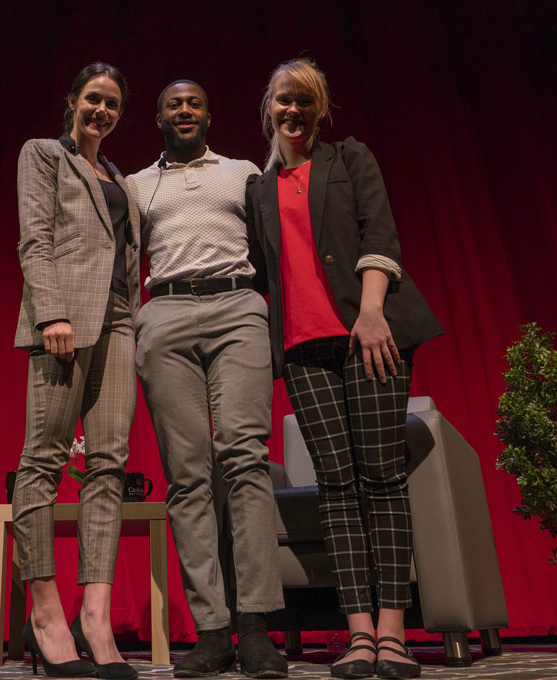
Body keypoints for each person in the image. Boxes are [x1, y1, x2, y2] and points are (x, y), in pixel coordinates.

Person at [245, 59, 444, 680]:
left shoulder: (350, 159)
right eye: (284, 100)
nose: (294, 111)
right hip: (304, 350)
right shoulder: (256, 190)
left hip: (369, 335)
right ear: (268, 109)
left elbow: (380, 233)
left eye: (305, 101)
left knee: (381, 476)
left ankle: (392, 633)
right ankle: (357, 634)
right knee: (335, 485)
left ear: (321, 109)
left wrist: (375, 313)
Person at [126, 80, 287, 679]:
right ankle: (213, 631)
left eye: (194, 103)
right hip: (164, 314)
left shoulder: (243, 171)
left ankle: (256, 626)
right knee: (188, 475)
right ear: (160, 117)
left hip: (237, 306)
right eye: (174, 104)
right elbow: (120, 262)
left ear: (209, 115)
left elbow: (273, 247)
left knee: (244, 458)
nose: (185, 110)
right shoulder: (138, 185)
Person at [12, 62, 141, 680]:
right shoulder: (43, 154)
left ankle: (95, 614)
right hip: (64, 320)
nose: (102, 111)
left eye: (112, 103)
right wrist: (51, 314)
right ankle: (45, 613)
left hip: (119, 322)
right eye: (94, 99)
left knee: (108, 464)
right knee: (44, 459)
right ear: (72, 101)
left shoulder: (118, 175)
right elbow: (35, 239)